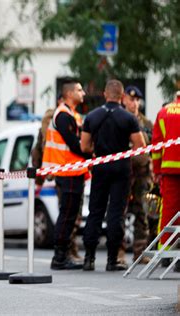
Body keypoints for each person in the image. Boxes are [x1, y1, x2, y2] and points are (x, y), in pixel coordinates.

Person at [80, 80, 145, 271]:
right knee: (116, 213)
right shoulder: (128, 118)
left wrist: (97, 150)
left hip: (100, 165)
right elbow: (140, 145)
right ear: (122, 96)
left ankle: (89, 258)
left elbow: (84, 146)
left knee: (95, 211)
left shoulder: (92, 116)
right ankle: (112, 259)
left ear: (104, 94)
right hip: (121, 168)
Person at [41, 79, 91, 270]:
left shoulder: (72, 115)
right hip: (67, 171)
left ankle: (63, 255)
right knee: (67, 215)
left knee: (70, 215)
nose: (83, 93)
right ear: (69, 94)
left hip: (73, 171)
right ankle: (60, 257)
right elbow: (75, 144)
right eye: (79, 90)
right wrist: (92, 154)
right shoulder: (63, 115)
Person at [121, 85, 153, 264]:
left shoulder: (146, 124)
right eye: (131, 99)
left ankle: (140, 253)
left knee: (143, 214)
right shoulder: (119, 119)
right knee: (120, 214)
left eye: (137, 100)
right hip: (124, 174)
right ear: (124, 99)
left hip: (142, 176)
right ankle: (119, 252)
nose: (134, 103)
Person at [152, 91, 180, 271]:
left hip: (169, 170)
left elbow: (156, 144)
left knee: (168, 210)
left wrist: (156, 170)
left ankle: (165, 253)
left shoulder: (164, 112)